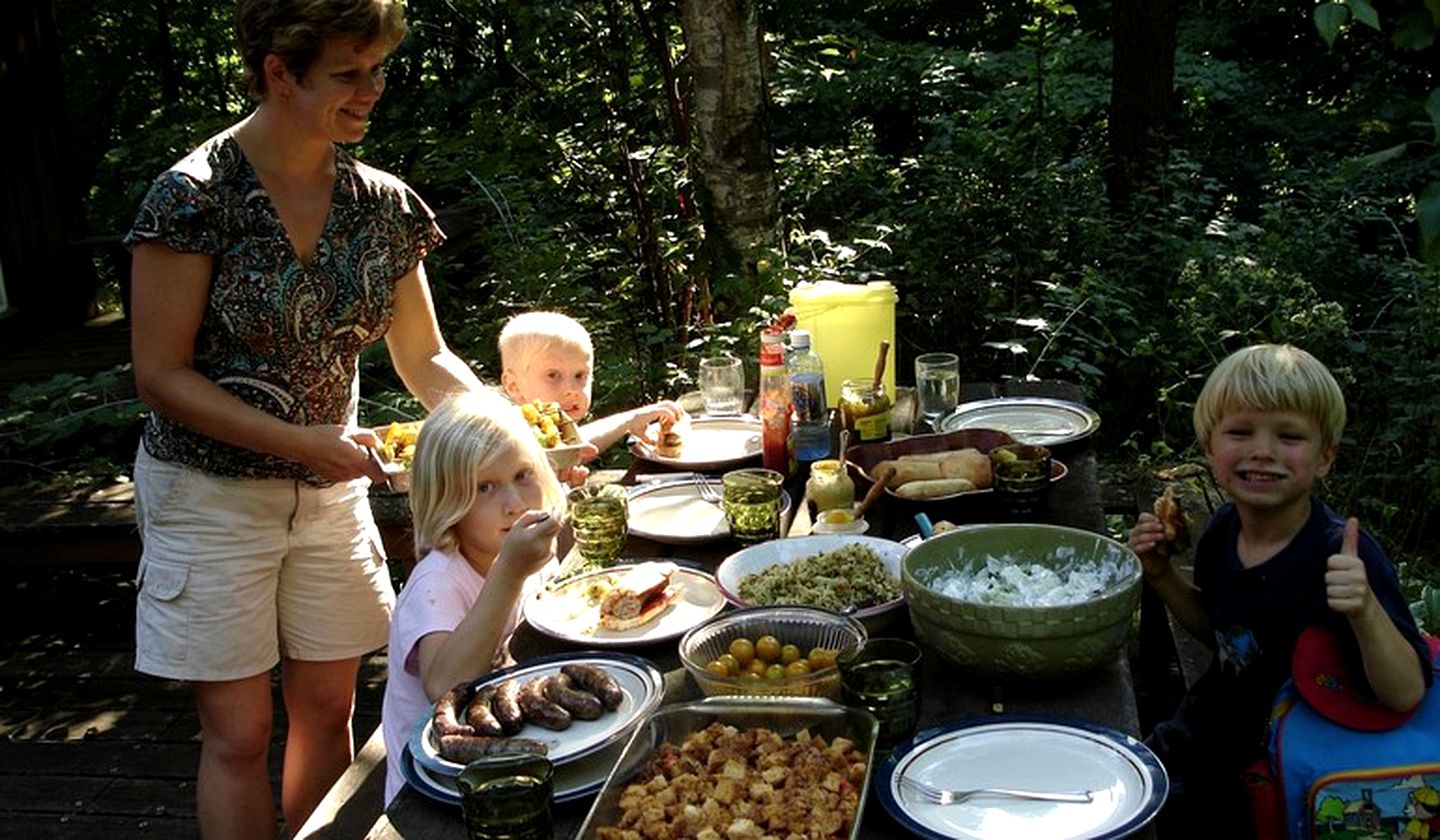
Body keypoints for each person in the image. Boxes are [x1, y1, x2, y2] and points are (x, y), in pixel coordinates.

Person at [125, 1, 486, 836]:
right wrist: (301, 445)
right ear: (279, 74)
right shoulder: (193, 197)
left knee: (329, 709)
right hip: (209, 498)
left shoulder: (382, 205)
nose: (373, 92)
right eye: (348, 75)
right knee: (239, 732)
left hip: (331, 495)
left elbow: (424, 358)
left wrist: (507, 430)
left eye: (379, 70)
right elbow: (161, 375)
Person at [1129, 343, 1430, 838]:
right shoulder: (1224, 530)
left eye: (1289, 436)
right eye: (1240, 432)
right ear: (1211, 447)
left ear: (1325, 457)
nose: (1262, 451)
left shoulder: (1345, 557)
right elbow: (1228, 636)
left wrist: (1364, 610)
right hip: (1204, 741)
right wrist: (1163, 577)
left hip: (1282, 777)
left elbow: (1405, 693)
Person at [380, 388, 565, 805]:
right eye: (485, 487)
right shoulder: (438, 582)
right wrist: (510, 574)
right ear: (447, 501)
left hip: (507, 750)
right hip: (435, 787)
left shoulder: (517, 547)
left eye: (523, 475)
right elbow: (443, 684)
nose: (515, 503)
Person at [498, 311, 687, 455]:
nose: (572, 390)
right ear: (514, 386)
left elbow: (576, 448)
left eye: (580, 375)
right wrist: (631, 419)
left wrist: (632, 420)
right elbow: (566, 455)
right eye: (553, 375)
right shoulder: (506, 435)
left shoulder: (553, 431)